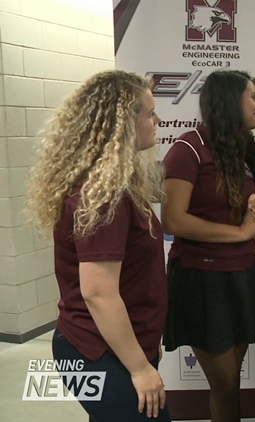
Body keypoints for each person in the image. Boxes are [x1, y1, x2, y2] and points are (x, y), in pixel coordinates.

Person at [26, 70, 170, 421]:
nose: (157, 120)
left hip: (113, 345)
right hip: (96, 350)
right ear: (123, 122)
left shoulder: (114, 182)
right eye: (149, 113)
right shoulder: (103, 195)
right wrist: (139, 368)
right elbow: (98, 294)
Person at [160, 70, 255, 421]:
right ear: (229, 102)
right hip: (202, 279)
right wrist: (241, 233)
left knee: (230, 386)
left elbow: (244, 214)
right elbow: (173, 220)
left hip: (240, 275)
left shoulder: (243, 152)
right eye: (252, 96)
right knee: (225, 388)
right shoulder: (187, 149)